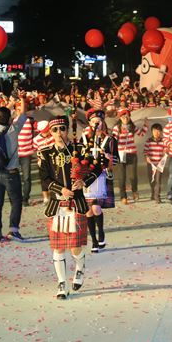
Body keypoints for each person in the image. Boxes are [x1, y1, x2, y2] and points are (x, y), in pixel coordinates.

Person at [40, 116, 102, 299]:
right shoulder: (45, 153)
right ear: (50, 132)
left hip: (76, 203)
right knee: (58, 247)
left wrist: (84, 181)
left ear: (67, 130)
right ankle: (61, 284)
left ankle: (80, 269)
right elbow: (44, 178)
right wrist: (61, 189)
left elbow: (97, 168)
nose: (59, 133)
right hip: (56, 204)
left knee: (75, 247)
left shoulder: (80, 149)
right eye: (55, 130)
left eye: (62, 128)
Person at [0, 105, 28, 242]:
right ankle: (13, 230)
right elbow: (23, 114)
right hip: (10, 172)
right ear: (9, 119)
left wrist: (6, 107)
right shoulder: (13, 130)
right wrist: (19, 100)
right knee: (16, 201)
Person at [81, 109, 116, 253]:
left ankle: (101, 232)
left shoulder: (110, 140)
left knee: (96, 208)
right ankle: (94, 241)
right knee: (88, 212)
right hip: (87, 177)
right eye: (94, 121)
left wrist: (109, 158)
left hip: (101, 176)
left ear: (103, 122)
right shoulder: (84, 138)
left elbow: (116, 159)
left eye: (99, 121)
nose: (96, 123)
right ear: (90, 123)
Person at [112, 108, 147, 204]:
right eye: (123, 116)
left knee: (133, 176)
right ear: (120, 117)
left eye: (127, 116)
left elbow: (142, 133)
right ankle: (123, 196)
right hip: (121, 155)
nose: (125, 118)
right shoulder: (117, 128)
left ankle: (134, 191)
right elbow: (113, 140)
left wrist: (145, 125)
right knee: (122, 177)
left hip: (132, 154)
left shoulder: (132, 126)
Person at [14, 101, 35, 207]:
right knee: (14, 177)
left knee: (26, 178)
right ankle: (16, 198)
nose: (19, 111)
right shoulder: (12, 122)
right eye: (17, 110)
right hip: (15, 155)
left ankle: (25, 199)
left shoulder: (28, 121)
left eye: (21, 109)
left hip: (26, 154)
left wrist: (22, 99)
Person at [32, 120, 55, 206]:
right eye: (48, 129)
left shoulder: (53, 136)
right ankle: (46, 198)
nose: (50, 131)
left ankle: (54, 196)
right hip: (43, 163)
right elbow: (35, 150)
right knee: (44, 180)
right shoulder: (36, 140)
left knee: (55, 178)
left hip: (54, 161)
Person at [144, 123, 166, 204]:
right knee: (151, 180)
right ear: (152, 131)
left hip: (159, 164)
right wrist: (147, 158)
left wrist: (165, 152)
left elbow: (165, 150)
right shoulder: (148, 141)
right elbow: (145, 151)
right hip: (151, 164)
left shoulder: (163, 141)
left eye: (158, 131)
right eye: (155, 131)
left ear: (161, 132)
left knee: (158, 180)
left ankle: (157, 196)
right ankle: (153, 193)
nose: (157, 132)